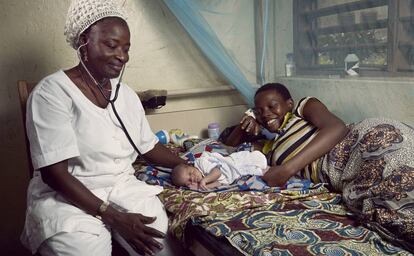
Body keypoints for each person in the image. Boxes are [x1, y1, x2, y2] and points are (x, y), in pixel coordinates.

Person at [20, 1, 187, 255]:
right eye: (112, 45)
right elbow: (54, 174)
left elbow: (147, 145)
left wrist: (184, 164)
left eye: (126, 48)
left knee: (158, 244)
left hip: (122, 188)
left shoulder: (125, 94)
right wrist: (113, 216)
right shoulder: (51, 93)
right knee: (86, 250)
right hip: (68, 197)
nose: (123, 56)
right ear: (85, 41)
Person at [224, 82, 414, 251]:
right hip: (342, 171)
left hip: (360, 140)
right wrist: (246, 121)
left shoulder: (302, 107)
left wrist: (287, 169)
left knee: (400, 166)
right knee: (393, 201)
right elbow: (228, 147)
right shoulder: (269, 149)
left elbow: (337, 128)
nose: (265, 114)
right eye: (259, 111)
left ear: (289, 103)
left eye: (272, 106)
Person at [171, 150, 269, 190]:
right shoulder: (200, 181)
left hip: (235, 164)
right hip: (237, 175)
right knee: (262, 174)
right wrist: (200, 187)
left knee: (260, 161)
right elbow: (218, 183)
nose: (192, 179)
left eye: (190, 173)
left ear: (192, 166)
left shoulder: (201, 164)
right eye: (188, 182)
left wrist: (204, 180)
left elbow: (217, 172)